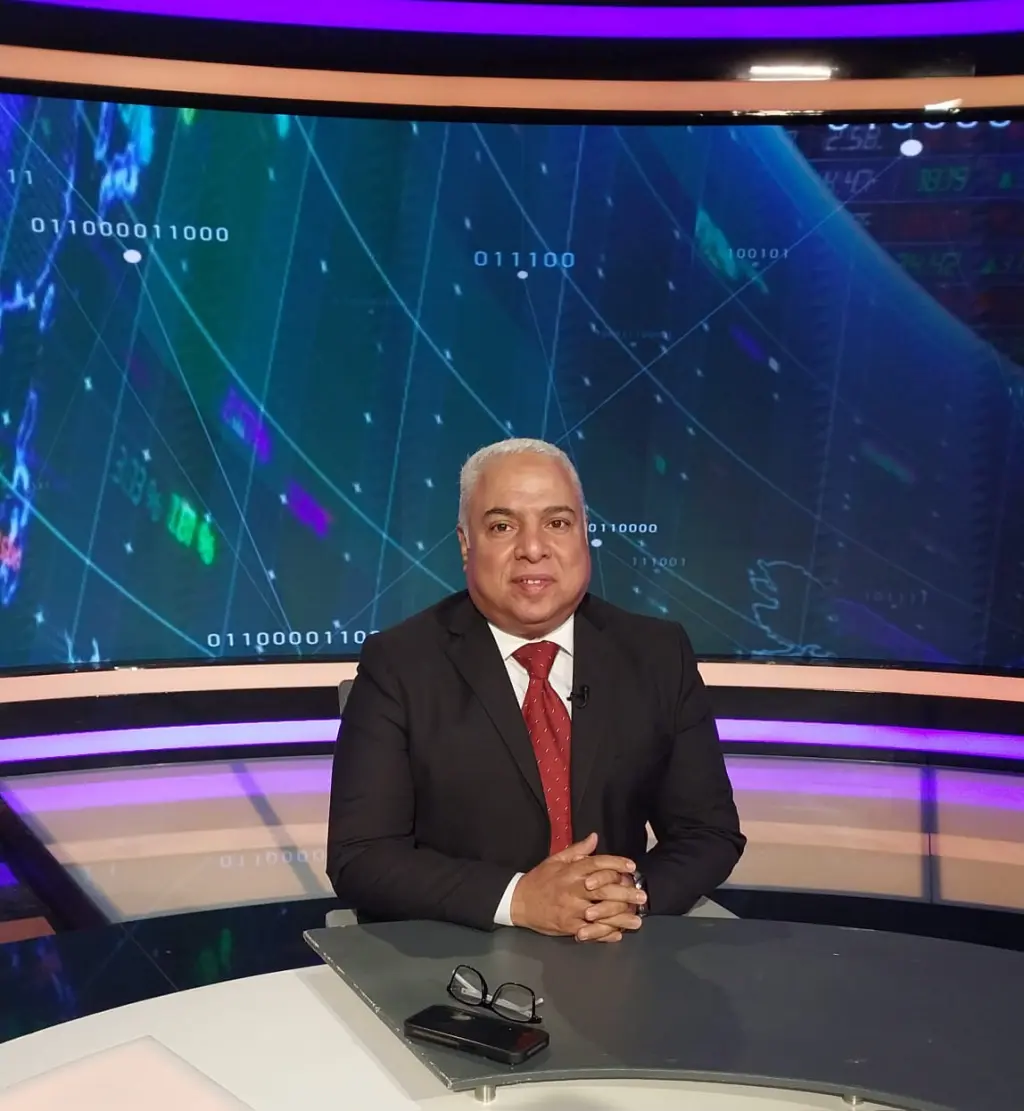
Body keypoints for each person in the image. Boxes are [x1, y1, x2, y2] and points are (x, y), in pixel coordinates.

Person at [327, 438, 745, 943]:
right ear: (465, 544)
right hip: (460, 951)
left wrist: (632, 892)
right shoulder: (399, 664)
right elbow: (361, 856)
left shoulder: (657, 653)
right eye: (503, 526)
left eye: (557, 523)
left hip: (616, 946)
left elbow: (708, 833)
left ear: (584, 534)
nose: (532, 548)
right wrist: (519, 899)